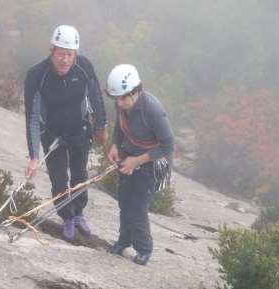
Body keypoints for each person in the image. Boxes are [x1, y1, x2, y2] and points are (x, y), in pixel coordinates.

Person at [24, 25, 107, 241]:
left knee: (80, 176)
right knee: (59, 181)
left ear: (75, 54)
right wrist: (33, 157)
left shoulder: (84, 67)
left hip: (80, 130)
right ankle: (67, 217)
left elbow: (96, 97)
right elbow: (32, 117)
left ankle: (78, 213)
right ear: (52, 50)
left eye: (70, 55)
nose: (65, 60)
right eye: (61, 54)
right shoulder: (36, 75)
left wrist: (101, 126)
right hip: (53, 135)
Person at [106, 64, 174, 265]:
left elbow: (168, 145)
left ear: (136, 91)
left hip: (152, 163)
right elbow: (120, 125)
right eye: (115, 98)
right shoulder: (121, 103)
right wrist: (115, 145)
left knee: (137, 207)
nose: (118, 103)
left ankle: (144, 248)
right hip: (129, 156)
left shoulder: (152, 110)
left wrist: (137, 161)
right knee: (124, 201)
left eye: (122, 98)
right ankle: (124, 240)